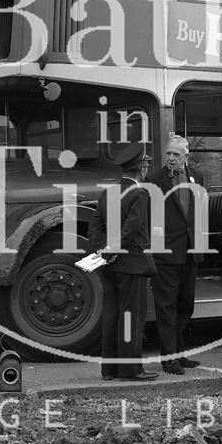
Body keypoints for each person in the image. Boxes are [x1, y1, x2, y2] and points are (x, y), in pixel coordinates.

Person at [87, 142, 158, 382]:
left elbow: (95, 226)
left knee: (111, 315)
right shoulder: (139, 193)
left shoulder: (108, 193)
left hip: (109, 265)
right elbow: (132, 228)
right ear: (142, 169)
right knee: (131, 317)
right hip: (133, 264)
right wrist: (114, 248)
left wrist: (103, 251)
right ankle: (130, 369)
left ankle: (109, 369)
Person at [147, 134, 205, 375]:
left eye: (176, 155)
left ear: (186, 156)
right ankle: (168, 358)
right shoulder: (154, 180)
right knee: (166, 307)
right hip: (165, 253)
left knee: (185, 305)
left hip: (191, 251)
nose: (171, 158)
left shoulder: (197, 176)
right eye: (168, 154)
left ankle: (179, 352)